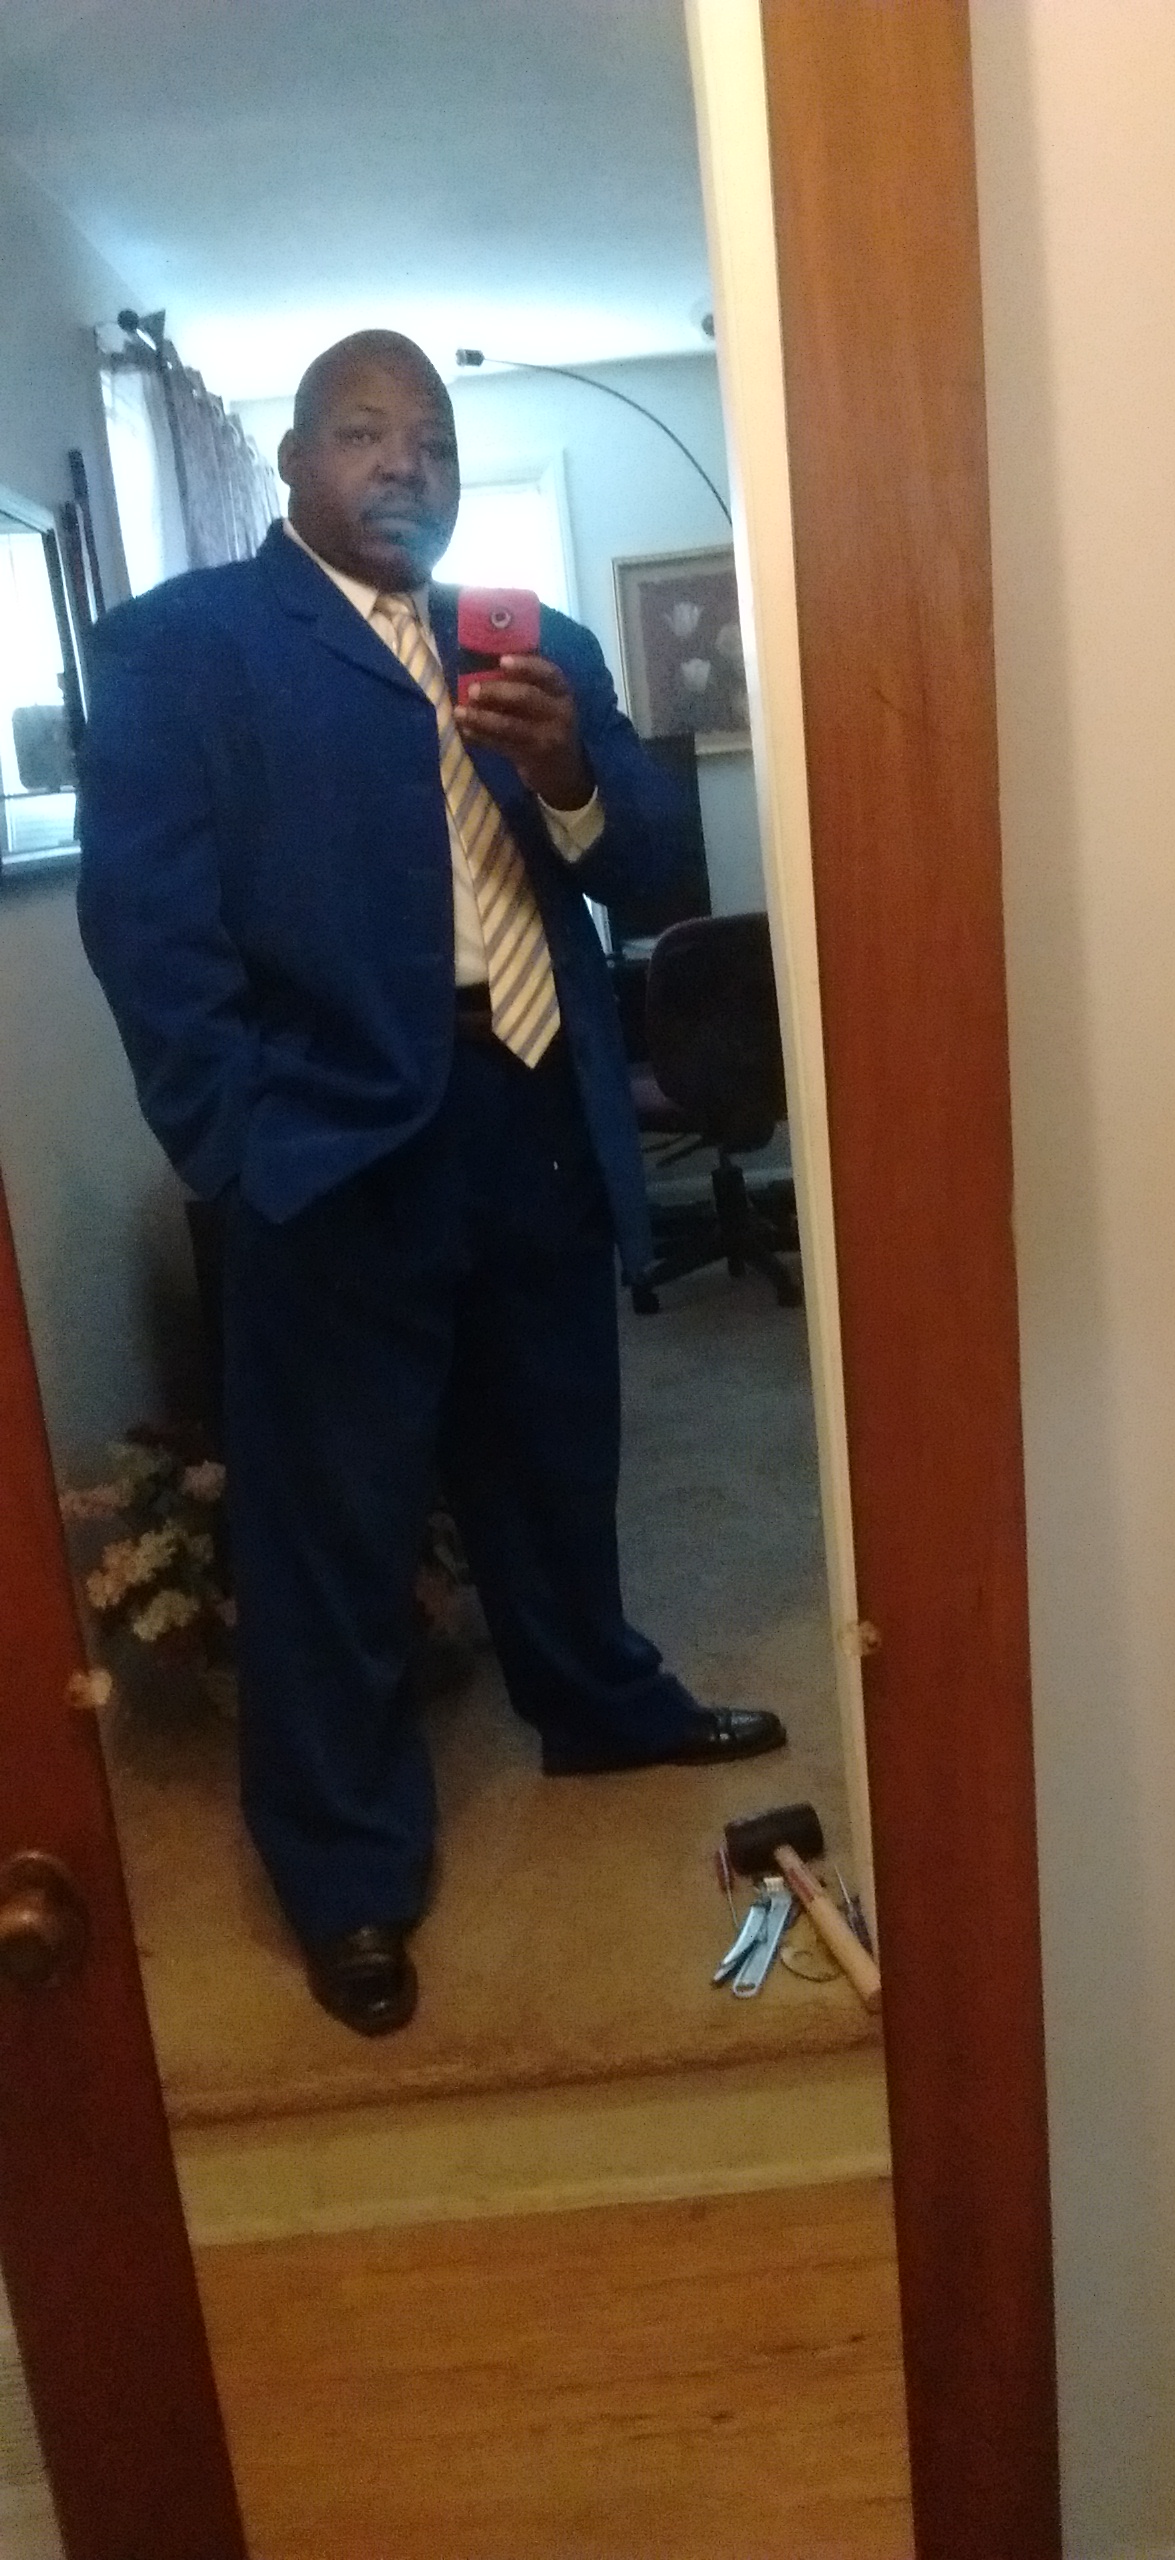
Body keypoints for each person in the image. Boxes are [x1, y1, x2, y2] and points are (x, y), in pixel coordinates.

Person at [77, 329, 785, 2038]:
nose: (406, 462)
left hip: (536, 1103)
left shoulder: (539, 647)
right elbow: (151, 933)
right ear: (293, 464)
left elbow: (658, 866)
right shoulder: (188, 647)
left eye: (436, 438)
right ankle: (345, 1868)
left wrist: (568, 775)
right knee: (335, 1523)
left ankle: (596, 1702)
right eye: (363, 431)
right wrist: (240, 1149)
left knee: (554, 1453)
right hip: (333, 1142)